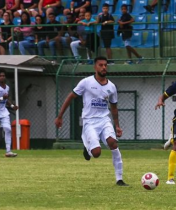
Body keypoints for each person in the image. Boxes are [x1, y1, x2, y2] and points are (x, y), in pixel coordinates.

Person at [54, 56, 128, 186]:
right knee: (96, 153)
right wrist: (60, 116)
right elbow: (71, 97)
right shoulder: (86, 82)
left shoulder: (111, 87)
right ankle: (87, 149)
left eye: (105, 65)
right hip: (89, 121)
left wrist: (117, 126)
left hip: (104, 120)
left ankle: (119, 179)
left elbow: (114, 107)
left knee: (113, 143)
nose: (103, 67)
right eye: (100, 65)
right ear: (95, 67)